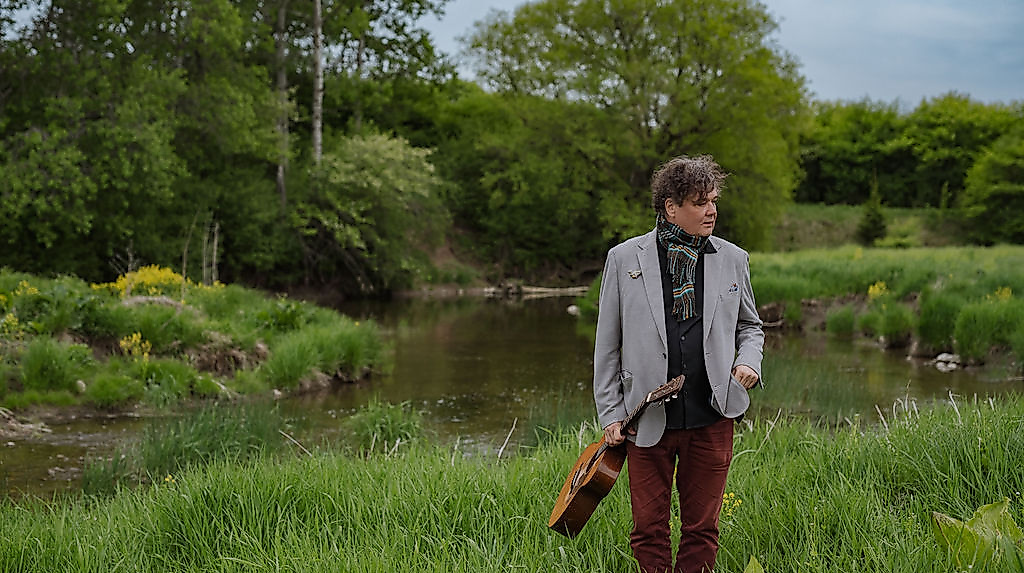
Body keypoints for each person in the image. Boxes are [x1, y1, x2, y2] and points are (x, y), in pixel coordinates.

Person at [593, 154, 764, 573]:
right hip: (646, 418)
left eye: (714, 200)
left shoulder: (732, 258)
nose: (712, 210)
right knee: (648, 529)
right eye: (701, 202)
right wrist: (611, 413)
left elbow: (751, 327)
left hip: (713, 415)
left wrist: (749, 363)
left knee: (702, 529)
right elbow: (607, 346)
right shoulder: (623, 259)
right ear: (671, 206)